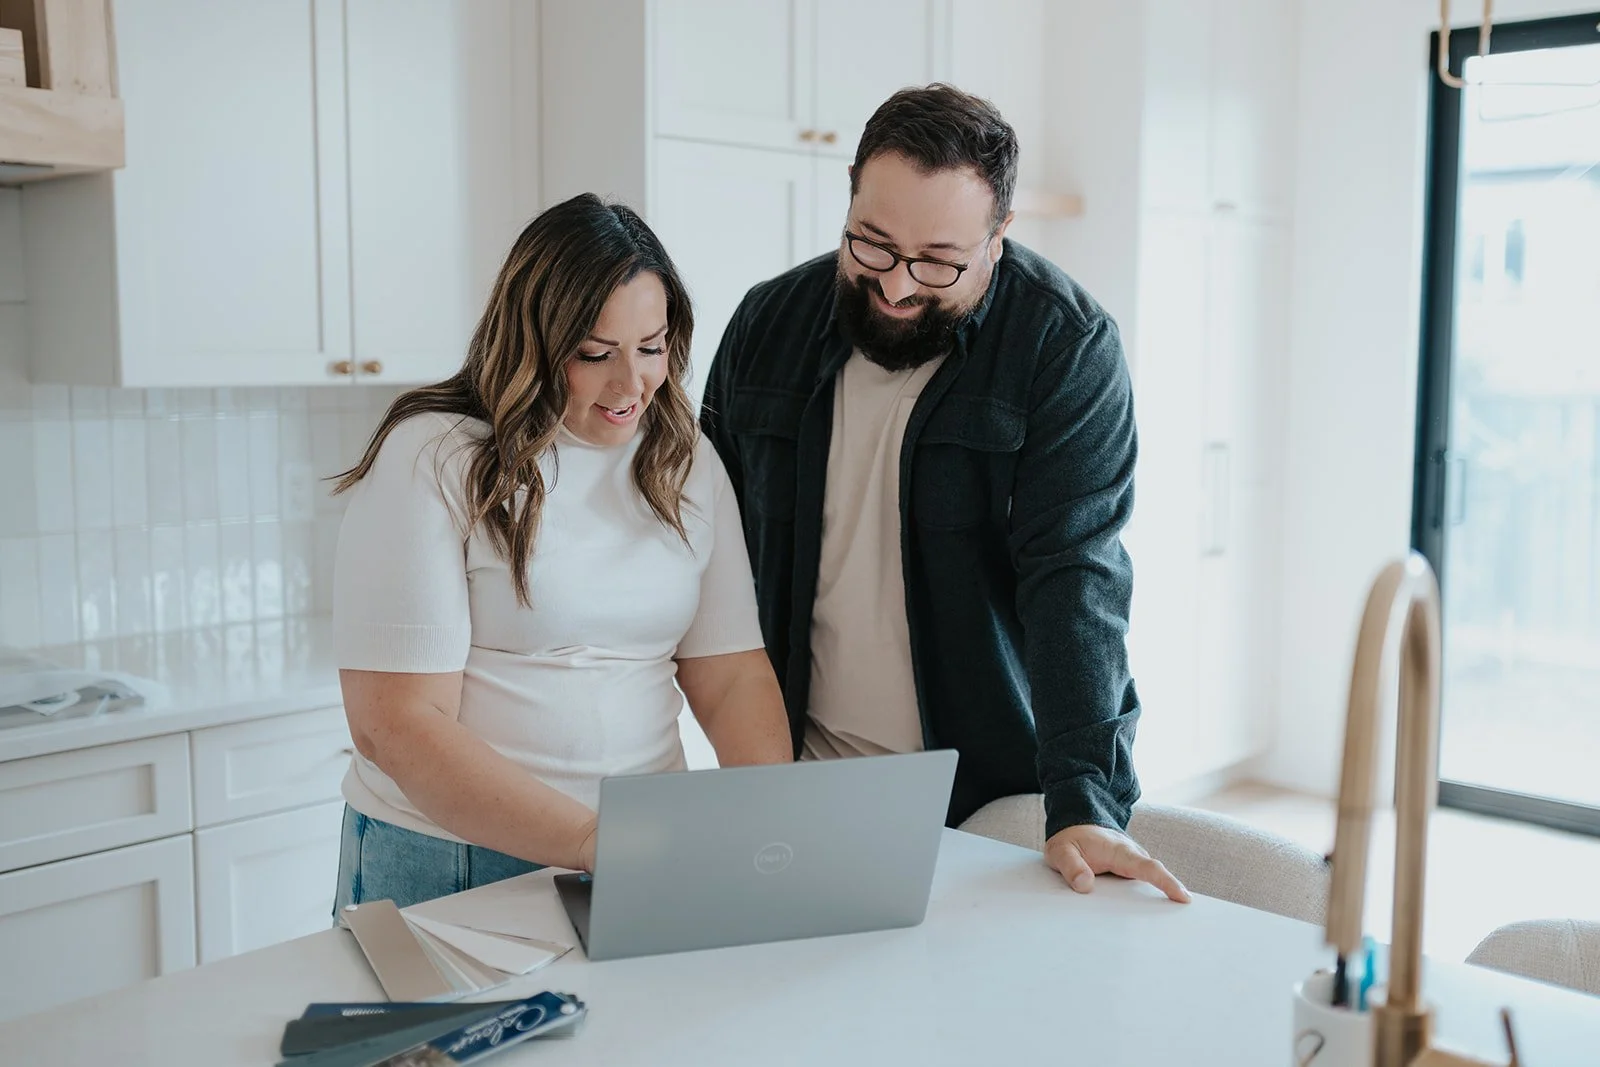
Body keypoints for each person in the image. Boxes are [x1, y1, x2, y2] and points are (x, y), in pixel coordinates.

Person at [699, 84, 1189, 903]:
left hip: (990, 798)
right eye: (873, 246)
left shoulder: (1063, 348)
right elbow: (699, 548)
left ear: (998, 239)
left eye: (937, 263)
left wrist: (1084, 801)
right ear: (851, 190)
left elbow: (1076, 578)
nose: (895, 287)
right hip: (799, 776)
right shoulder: (766, 324)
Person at [329, 194, 792, 912]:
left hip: (640, 849)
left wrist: (776, 820)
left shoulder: (685, 460)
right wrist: (588, 840)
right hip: (450, 859)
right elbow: (395, 724)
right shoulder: (436, 456)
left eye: (651, 347)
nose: (631, 383)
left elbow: (728, 671)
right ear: (532, 340)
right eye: (593, 354)